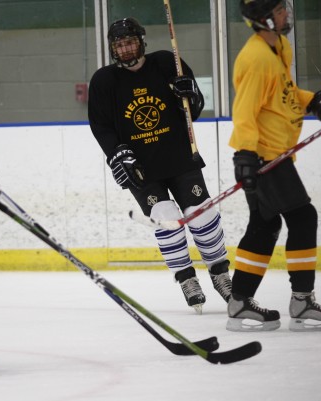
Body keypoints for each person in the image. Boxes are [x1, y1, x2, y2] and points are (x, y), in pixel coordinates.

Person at [227, 0, 321, 332]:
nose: (286, 13)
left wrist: (316, 101)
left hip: (274, 154)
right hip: (265, 157)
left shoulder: (280, 47)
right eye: (279, 9)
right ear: (263, 18)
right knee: (303, 217)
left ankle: (239, 302)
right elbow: (244, 111)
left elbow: (284, 94)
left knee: (264, 224)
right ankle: (301, 301)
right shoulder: (255, 58)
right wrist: (245, 154)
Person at [88, 17, 232, 315]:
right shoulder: (104, 80)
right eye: (119, 45)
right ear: (112, 49)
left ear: (141, 42)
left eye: (130, 42)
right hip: (140, 167)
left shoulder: (168, 62)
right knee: (165, 218)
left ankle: (220, 273)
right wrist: (116, 154)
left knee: (201, 214)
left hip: (178, 156)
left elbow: (193, 110)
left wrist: (190, 95)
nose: (125, 49)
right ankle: (187, 280)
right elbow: (100, 126)